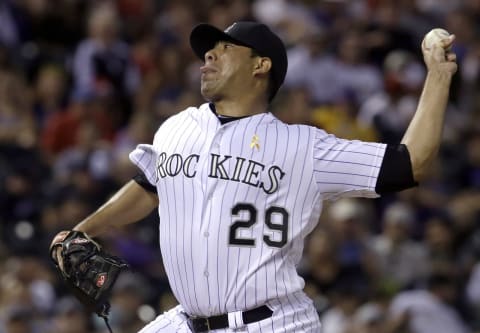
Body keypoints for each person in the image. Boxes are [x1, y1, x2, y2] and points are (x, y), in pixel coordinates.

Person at [51, 21, 457, 332]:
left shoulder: (303, 147)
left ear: (261, 65)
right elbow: (150, 186)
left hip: (273, 322)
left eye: (223, 49)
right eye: (206, 52)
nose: (208, 56)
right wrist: (82, 230)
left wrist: (438, 76)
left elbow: (410, 163)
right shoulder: (177, 127)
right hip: (186, 320)